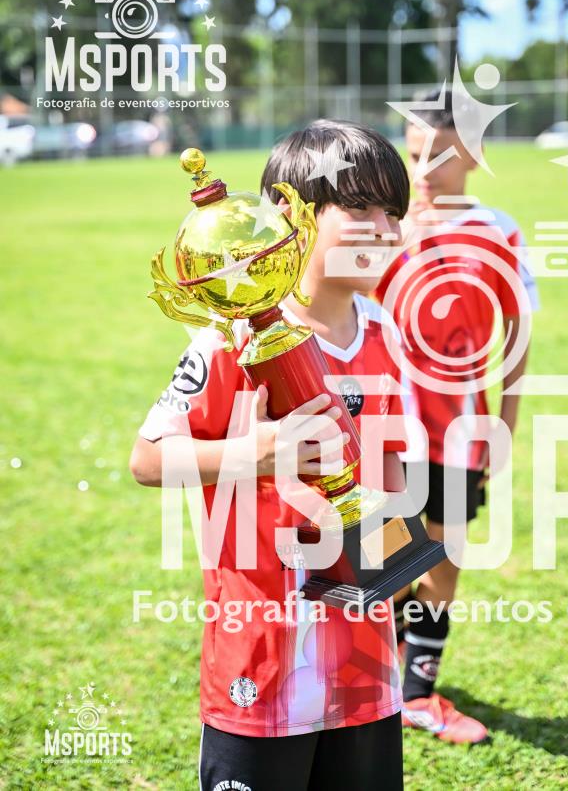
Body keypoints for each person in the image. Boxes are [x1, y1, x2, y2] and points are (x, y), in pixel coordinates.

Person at [130, 119, 415, 790]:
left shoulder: (386, 334)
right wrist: (253, 453)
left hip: (367, 670)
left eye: (394, 212)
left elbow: (391, 476)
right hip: (259, 668)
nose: (384, 229)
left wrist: (396, 561)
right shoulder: (232, 337)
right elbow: (147, 460)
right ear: (294, 217)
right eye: (361, 208)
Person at [375, 90, 539, 744]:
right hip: (388, 432)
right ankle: (375, 674)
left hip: (461, 432)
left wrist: (507, 423)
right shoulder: (383, 228)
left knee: (443, 561)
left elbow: (517, 338)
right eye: (415, 154)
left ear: (474, 154)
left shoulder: (500, 231)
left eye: (441, 155)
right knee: (386, 561)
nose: (424, 170)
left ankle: (417, 693)